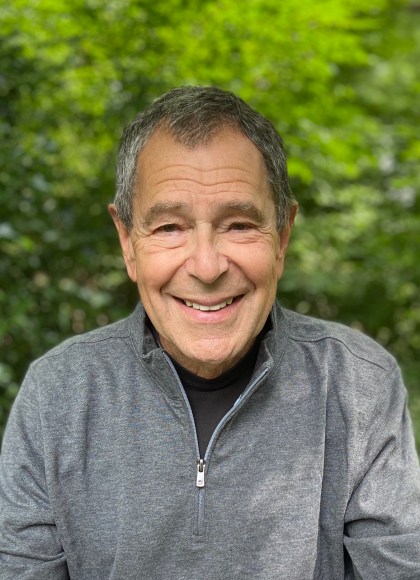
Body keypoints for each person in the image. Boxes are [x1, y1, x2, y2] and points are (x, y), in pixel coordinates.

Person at [0, 86, 419, 580]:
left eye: (238, 225)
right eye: (169, 228)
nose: (206, 266)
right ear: (128, 243)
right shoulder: (56, 395)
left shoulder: (358, 384)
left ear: (282, 237)